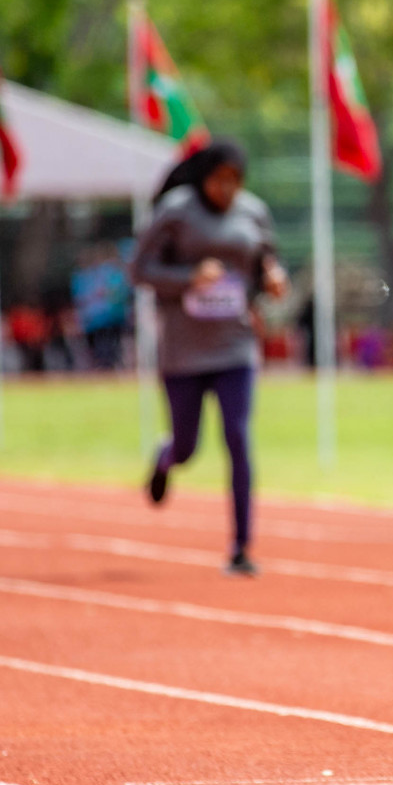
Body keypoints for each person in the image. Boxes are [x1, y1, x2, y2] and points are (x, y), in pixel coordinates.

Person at [131, 140, 287, 575]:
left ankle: (241, 547)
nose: (228, 190)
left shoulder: (253, 212)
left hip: (235, 345)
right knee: (188, 447)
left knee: (238, 437)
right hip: (183, 350)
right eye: (221, 180)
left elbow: (265, 260)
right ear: (204, 177)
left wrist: (273, 278)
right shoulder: (176, 211)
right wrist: (188, 278)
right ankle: (166, 457)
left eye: (236, 182)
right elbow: (139, 270)